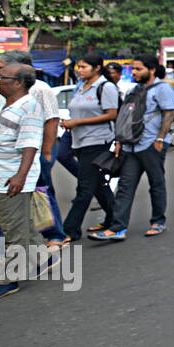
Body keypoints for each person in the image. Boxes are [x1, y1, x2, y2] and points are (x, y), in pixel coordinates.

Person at [0, 51, 66, 259]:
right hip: (4, 161)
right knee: (5, 209)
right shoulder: (0, 91)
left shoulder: (39, 90)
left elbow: (51, 120)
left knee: (41, 194)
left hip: (30, 154)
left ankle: (54, 235)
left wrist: (46, 153)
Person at [0, 64, 48, 302]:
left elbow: (30, 144)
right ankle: (43, 258)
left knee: (13, 232)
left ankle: (9, 279)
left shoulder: (29, 106)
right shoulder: (7, 104)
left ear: (18, 82)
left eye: (2, 77)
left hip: (10, 179)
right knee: (18, 223)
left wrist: (20, 176)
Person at [95, 54, 174, 241]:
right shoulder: (134, 89)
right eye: (133, 69)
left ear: (152, 69)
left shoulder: (162, 88)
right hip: (131, 146)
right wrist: (119, 141)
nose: (134, 72)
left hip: (151, 143)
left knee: (156, 183)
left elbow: (169, 113)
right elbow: (125, 116)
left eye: (138, 69)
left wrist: (160, 138)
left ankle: (158, 222)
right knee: (125, 186)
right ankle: (117, 228)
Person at [60, 53, 120, 242]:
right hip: (78, 139)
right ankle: (114, 219)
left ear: (97, 68)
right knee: (97, 183)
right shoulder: (81, 87)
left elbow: (112, 114)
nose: (79, 70)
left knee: (85, 188)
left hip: (97, 141)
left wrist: (77, 122)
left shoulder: (106, 87)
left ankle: (70, 230)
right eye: (79, 66)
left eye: (84, 67)